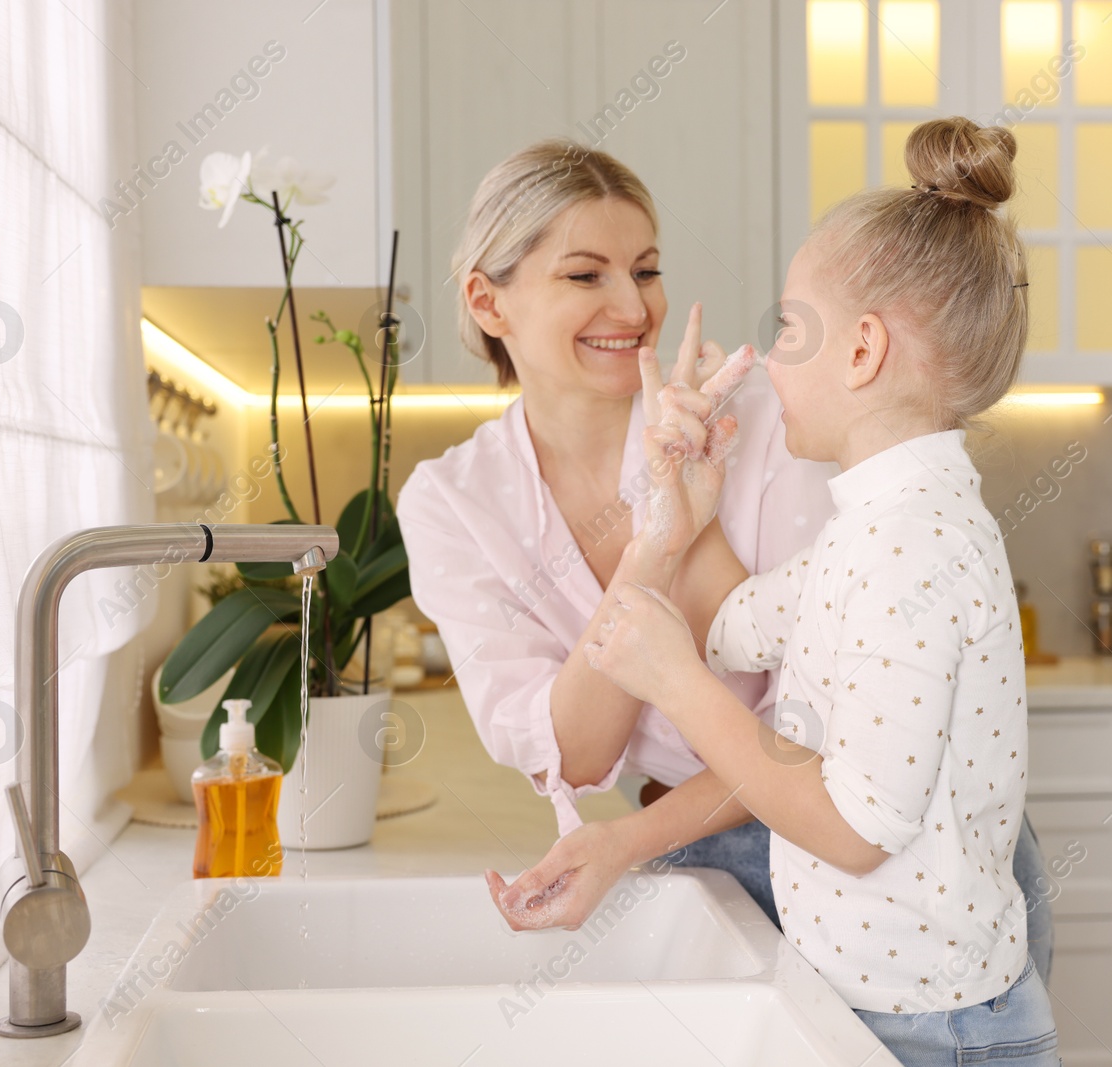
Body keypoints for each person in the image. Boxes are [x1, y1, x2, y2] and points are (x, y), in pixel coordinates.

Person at [398, 136, 1051, 977]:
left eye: (646, 269)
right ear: (489, 302)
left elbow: (818, 731)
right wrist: (661, 536)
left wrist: (679, 497)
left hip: (911, 890)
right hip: (726, 862)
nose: (631, 307)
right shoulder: (454, 500)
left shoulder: (776, 423)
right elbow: (580, 751)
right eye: (585, 273)